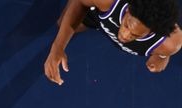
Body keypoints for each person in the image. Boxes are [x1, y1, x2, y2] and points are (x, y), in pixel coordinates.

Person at [45, 0, 182, 84]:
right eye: (127, 25)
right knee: (62, 23)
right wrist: (58, 47)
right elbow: (80, 2)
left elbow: (167, 45)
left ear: (153, 32)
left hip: (104, 22)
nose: (124, 35)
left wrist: (163, 56)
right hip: (99, 14)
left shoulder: (169, 45)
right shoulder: (108, 1)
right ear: (128, 9)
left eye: (135, 35)